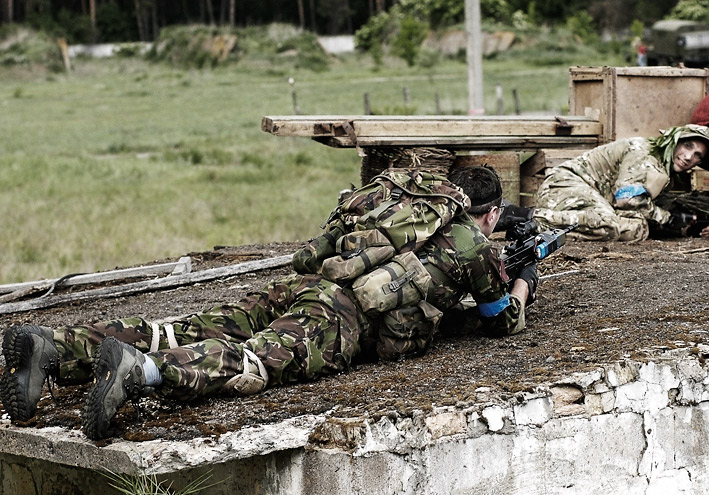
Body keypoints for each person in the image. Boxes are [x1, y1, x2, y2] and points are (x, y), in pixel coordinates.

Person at [0, 165, 537, 440]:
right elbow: (500, 321)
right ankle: (141, 371)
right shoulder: (474, 244)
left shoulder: (408, 203)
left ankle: (56, 347)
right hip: (337, 315)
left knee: (188, 325)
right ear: (489, 214)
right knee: (257, 361)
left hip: (304, 285)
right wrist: (523, 282)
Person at [531, 124, 709, 242]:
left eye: (697, 155)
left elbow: (644, 209)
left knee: (638, 229)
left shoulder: (665, 170)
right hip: (565, 186)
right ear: (674, 142)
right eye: (687, 145)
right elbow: (628, 200)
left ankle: (553, 226)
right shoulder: (646, 155)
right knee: (608, 223)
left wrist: (686, 227)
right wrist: (667, 218)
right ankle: (530, 219)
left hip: (594, 200)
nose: (689, 156)